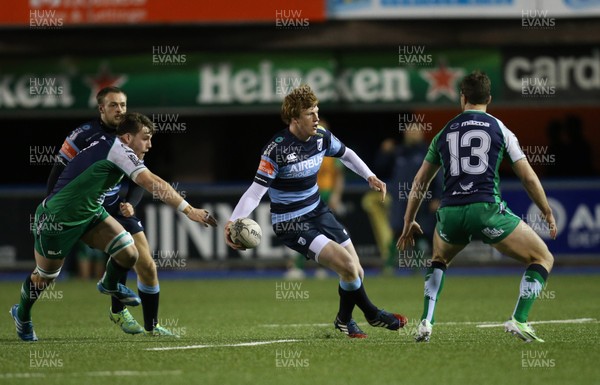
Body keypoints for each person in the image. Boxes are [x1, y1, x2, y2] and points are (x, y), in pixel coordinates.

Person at [10, 112, 217, 341]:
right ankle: (23, 313)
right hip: (58, 219)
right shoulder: (118, 150)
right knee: (44, 278)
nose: (150, 144)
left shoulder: (115, 148)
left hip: (91, 213)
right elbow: (152, 183)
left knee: (129, 254)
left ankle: (109, 284)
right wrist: (189, 210)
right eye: (145, 138)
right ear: (127, 137)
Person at [224, 84, 407, 338]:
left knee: (357, 270)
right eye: (310, 113)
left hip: (318, 210)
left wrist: (370, 176)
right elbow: (255, 192)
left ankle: (344, 320)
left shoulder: (322, 137)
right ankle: (373, 313)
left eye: (317, 111)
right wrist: (233, 221)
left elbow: (347, 154)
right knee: (347, 265)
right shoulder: (276, 150)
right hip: (291, 221)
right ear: (294, 117)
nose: (316, 118)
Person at [397, 71, 556, 343]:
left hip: (450, 214)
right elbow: (528, 177)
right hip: (487, 212)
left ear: (463, 97)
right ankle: (519, 319)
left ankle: (426, 321)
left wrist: (408, 220)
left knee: (439, 259)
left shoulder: (444, 132)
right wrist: (547, 210)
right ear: (489, 98)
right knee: (543, 258)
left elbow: (420, 181)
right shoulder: (500, 129)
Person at [45, 86, 171, 336]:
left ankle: (152, 326)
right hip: (85, 206)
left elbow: (141, 176)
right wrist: (50, 203)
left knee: (146, 264)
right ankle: (118, 310)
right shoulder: (82, 135)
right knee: (47, 272)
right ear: (101, 108)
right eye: (114, 105)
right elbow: (58, 170)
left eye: (123, 105)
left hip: (114, 204)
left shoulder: (132, 133)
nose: (120, 110)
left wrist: (130, 201)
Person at [285, 118, 343, 280]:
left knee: (325, 232)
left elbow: (339, 176)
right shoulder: (301, 149)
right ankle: (297, 267)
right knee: (300, 230)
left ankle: (323, 268)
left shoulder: (331, 150)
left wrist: (336, 195)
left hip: (325, 193)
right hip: (307, 195)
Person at [387, 124, 441, 271]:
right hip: (400, 200)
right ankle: (388, 266)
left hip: (421, 199)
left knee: (419, 233)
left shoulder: (428, 152)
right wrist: (383, 153)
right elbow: (383, 169)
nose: (412, 134)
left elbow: (437, 177)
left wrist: (437, 197)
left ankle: (417, 268)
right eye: (409, 131)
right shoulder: (398, 152)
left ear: (422, 133)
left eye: (415, 131)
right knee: (397, 231)